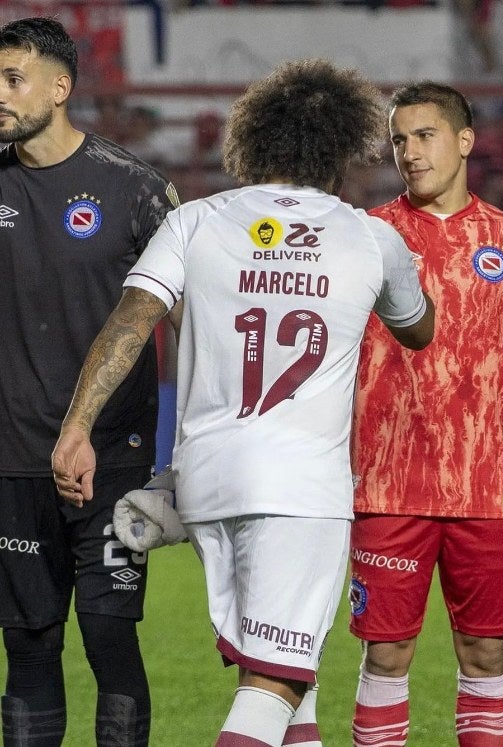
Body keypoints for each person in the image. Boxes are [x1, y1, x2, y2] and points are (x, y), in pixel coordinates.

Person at [51, 58, 435, 747]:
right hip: (300, 489)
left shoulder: (196, 220)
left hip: (206, 482)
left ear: (252, 141)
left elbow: (131, 321)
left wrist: (76, 426)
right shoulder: (371, 236)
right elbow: (419, 328)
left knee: (292, 678)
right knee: (274, 685)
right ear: (343, 148)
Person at [349, 81, 503, 746]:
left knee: (485, 655)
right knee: (386, 657)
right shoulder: (368, 235)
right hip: (389, 486)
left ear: (465, 140)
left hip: (485, 489)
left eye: (424, 135)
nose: (410, 152)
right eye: (399, 140)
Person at [0, 16, 178, 746]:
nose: (0, 93)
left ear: (60, 86)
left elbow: (189, 317)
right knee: (30, 648)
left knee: (110, 640)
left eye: (13, 79)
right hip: (13, 459)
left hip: (111, 459)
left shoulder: (134, 189)